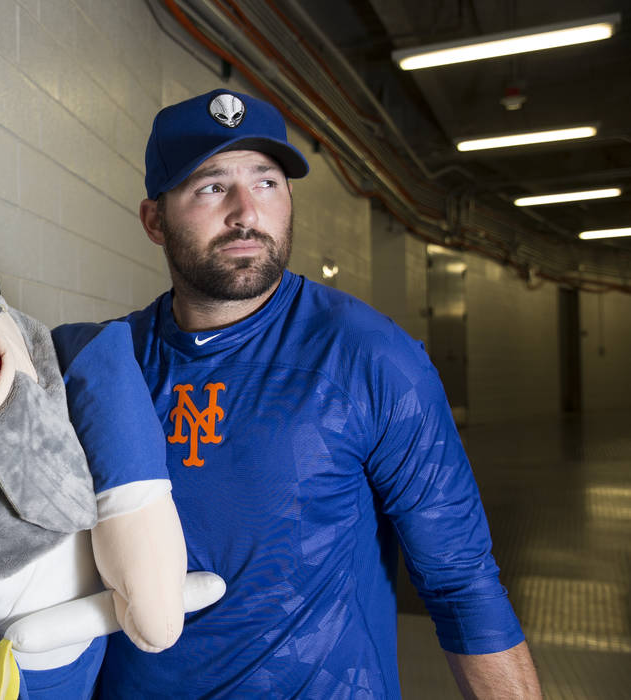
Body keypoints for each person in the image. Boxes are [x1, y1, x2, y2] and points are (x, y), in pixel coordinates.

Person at [51, 89, 543, 698]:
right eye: (210, 186)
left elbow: (462, 582)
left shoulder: (369, 358)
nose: (246, 213)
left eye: (267, 183)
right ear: (155, 219)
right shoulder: (106, 366)